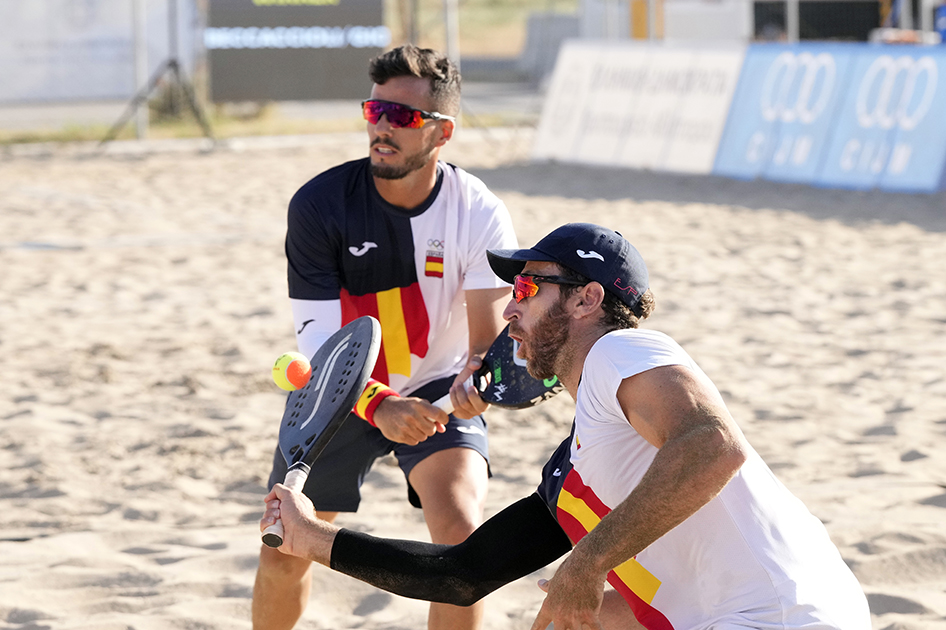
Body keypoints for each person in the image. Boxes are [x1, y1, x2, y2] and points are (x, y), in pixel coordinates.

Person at [260, 222, 872, 630]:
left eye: (528, 285)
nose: (511, 307)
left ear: (586, 301)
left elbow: (713, 447)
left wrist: (587, 564)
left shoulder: (621, 351)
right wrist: (311, 538)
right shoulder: (575, 469)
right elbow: (460, 575)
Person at [251, 44, 518, 630]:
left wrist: (477, 379)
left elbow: (486, 342)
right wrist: (379, 403)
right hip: (339, 387)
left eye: (401, 118)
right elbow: (322, 341)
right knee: (283, 546)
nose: (381, 128)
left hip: (436, 383)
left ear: (441, 132)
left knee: (464, 544)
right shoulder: (320, 205)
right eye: (374, 112)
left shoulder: (478, 211)